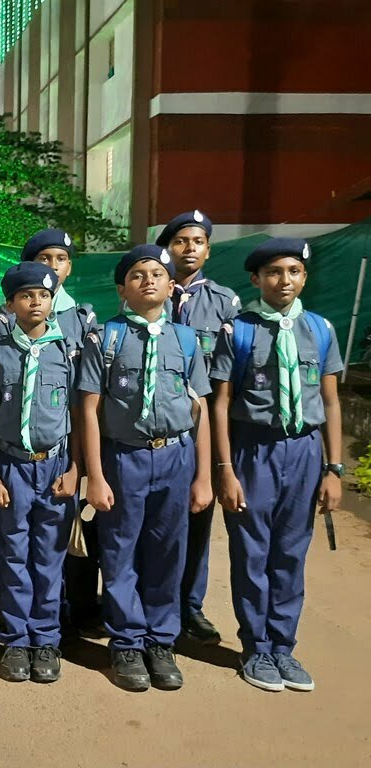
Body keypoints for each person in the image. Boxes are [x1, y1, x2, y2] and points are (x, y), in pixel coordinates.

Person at [210, 237, 342, 692]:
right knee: (252, 553)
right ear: (256, 279)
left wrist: (334, 468)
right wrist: (225, 468)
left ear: (304, 276)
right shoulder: (239, 331)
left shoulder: (320, 329)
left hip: (304, 451)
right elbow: (221, 403)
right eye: (273, 272)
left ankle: (284, 647)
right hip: (254, 450)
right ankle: (256, 648)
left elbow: (330, 399)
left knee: (290, 553)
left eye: (293, 271)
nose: (284, 280)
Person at [78, 244, 212, 691]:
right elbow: (89, 410)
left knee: (167, 552)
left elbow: (200, 410)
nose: (148, 280)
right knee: (119, 552)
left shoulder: (186, 340)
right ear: (122, 289)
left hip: (175, 456)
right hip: (124, 457)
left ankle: (160, 640)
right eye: (138, 274)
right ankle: (127, 642)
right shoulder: (105, 338)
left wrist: (203, 476)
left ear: (171, 286)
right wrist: (95, 476)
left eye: (157, 273)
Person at [0, 262, 80, 683]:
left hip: (55, 466)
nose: (35, 302)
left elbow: (79, 415)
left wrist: (76, 469)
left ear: (52, 300)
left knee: (49, 557)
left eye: (43, 295)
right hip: (12, 466)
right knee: (13, 555)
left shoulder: (68, 352)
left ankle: (46, 638)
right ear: (10, 304)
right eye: (25, 296)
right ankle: (16, 639)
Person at [155, 210, 241, 646]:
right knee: (151, 522)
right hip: (154, 427)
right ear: (167, 248)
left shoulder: (224, 302)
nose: (189, 249)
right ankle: (150, 601)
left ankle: (189, 605)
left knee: (197, 516)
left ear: (208, 250)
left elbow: (227, 380)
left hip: (198, 428)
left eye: (198, 242)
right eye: (180, 241)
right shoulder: (148, 289)